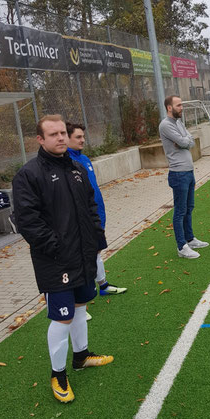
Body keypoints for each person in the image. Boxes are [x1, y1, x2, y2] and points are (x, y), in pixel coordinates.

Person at [12, 114, 114, 404]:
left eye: (62, 133)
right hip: (55, 260)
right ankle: (58, 374)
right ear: (40, 140)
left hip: (83, 255)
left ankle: (81, 356)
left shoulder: (77, 168)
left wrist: (96, 239)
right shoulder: (29, 174)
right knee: (62, 316)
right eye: (53, 134)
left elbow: (91, 207)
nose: (60, 138)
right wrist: (55, 246)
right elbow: (27, 221)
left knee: (81, 306)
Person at [66, 122, 127, 312]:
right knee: (82, 257)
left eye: (83, 136)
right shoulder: (65, 162)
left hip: (97, 215)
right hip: (81, 220)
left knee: (97, 251)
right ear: (67, 138)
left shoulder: (84, 159)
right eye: (78, 137)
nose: (82, 139)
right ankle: (78, 307)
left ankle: (103, 285)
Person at [159, 95, 209, 259]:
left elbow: (190, 141)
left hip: (188, 171)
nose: (182, 108)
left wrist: (184, 141)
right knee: (180, 211)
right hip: (178, 174)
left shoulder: (178, 123)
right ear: (169, 108)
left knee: (189, 208)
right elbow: (183, 141)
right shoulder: (165, 125)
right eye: (179, 105)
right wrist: (184, 141)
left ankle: (190, 239)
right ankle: (181, 246)